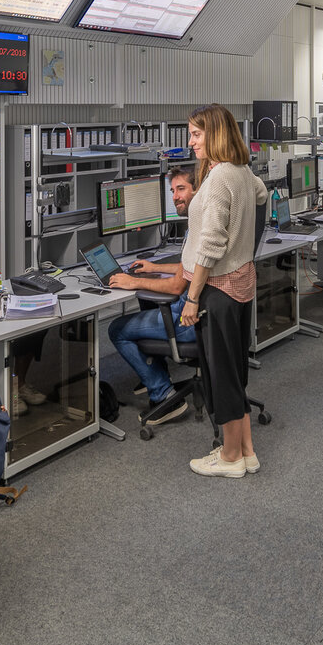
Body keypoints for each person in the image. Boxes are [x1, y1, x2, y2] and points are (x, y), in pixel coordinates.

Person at [181, 104, 268, 479]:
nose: (191, 142)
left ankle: (230, 456)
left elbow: (211, 245)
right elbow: (262, 197)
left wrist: (192, 297)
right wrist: (244, 244)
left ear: (215, 134)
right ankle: (246, 450)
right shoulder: (243, 171)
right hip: (241, 283)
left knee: (221, 374)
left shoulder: (218, 178)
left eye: (197, 134)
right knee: (234, 371)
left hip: (217, 289)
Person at [105, 169, 198, 422]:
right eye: (172, 191)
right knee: (146, 302)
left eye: (181, 189)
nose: (175, 196)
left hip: (186, 320)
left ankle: (162, 392)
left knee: (117, 329)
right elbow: (186, 270)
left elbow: (177, 287)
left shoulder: (197, 228)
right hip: (202, 315)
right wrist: (154, 267)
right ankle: (155, 376)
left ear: (197, 190)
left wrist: (133, 281)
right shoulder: (200, 224)